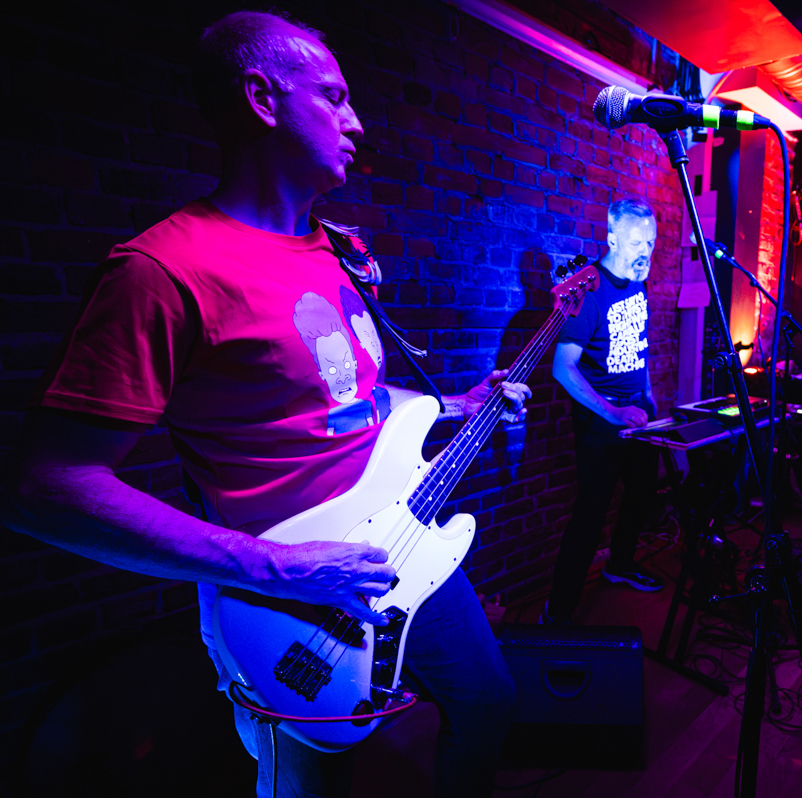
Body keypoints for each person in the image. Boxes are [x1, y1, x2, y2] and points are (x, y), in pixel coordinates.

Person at [2, 11, 530, 797]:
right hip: (285, 589)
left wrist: (455, 402)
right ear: (261, 98)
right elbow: (44, 488)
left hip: (398, 538)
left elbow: (338, 391)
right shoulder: (163, 270)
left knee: (487, 703)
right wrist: (281, 568)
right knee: (310, 783)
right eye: (335, 97)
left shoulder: (337, 250)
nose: (357, 121)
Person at [542, 198, 665, 625]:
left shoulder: (637, 282)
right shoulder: (588, 291)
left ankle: (619, 565)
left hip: (636, 416)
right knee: (591, 515)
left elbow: (637, 344)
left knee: (643, 492)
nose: (645, 252)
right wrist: (613, 412)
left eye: (650, 242)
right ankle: (557, 612)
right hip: (601, 421)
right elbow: (563, 368)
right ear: (612, 239)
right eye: (636, 242)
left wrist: (647, 394)